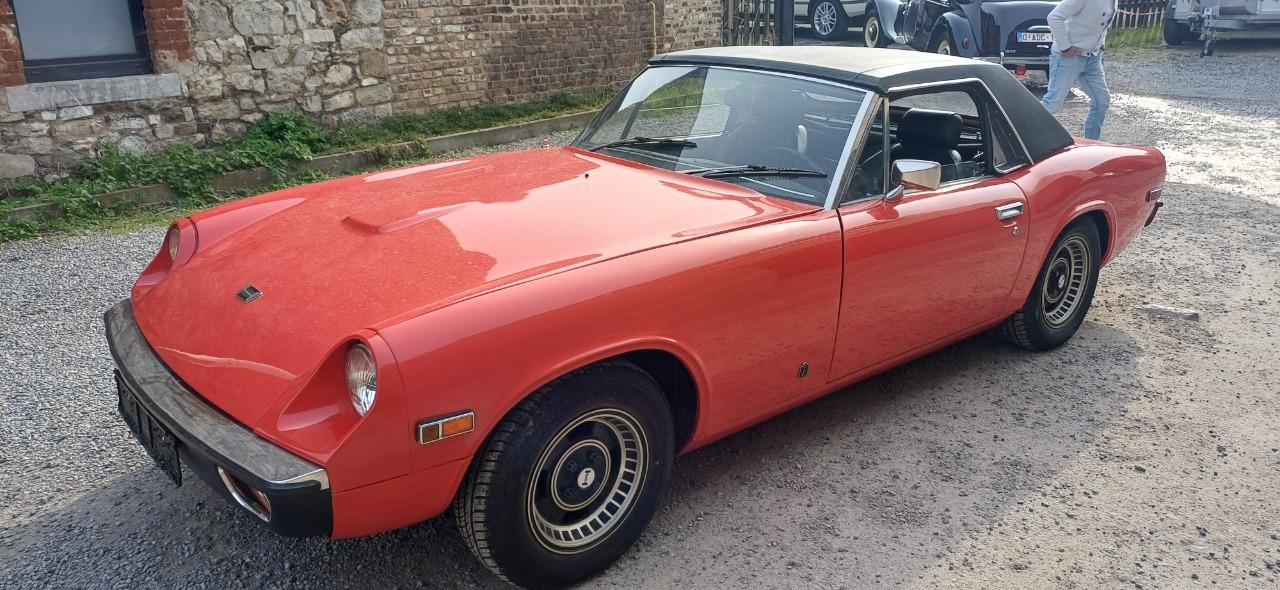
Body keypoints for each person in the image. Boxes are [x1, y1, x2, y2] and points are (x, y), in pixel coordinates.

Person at [1041, 0, 1117, 140]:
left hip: (1093, 58)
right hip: (1068, 58)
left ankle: (1091, 143)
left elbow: (1102, 26)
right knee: (1052, 104)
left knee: (1102, 101)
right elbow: (1054, 17)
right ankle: (1014, 130)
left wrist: (1099, 47)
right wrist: (1065, 46)